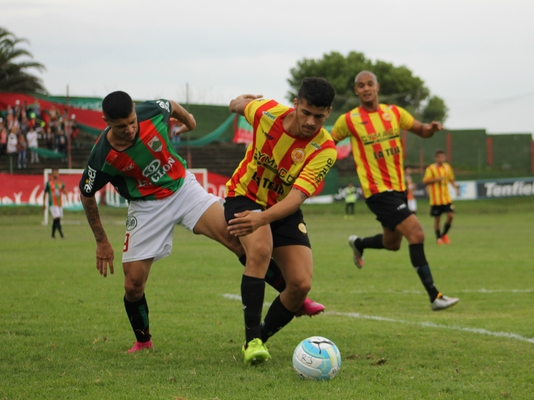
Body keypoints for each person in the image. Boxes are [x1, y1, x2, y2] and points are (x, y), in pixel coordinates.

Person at [78, 91, 321, 354]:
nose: (129, 129)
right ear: (105, 121)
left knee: (238, 240)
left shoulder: (151, 110)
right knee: (133, 284)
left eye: (132, 122)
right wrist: (102, 241)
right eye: (120, 126)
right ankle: (143, 340)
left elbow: (170, 104)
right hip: (146, 207)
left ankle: (295, 298)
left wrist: (190, 121)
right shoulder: (102, 156)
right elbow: (87, 194)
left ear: (136, 111)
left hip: (184, 190)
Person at [225, 77, 337, 364]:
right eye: (307, 113)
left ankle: (260, 335)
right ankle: (252, 342)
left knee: (300, 284)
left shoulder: (325, 149)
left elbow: (297, 197)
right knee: (260, 250)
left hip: (282, 207)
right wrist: (241, 100)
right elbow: (236, 106)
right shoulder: (266, 112)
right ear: (296, 103)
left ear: (329, 113)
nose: (312, 122)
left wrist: (262, 219)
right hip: (244, 196)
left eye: (320, 116)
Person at [331, 70, 458, 311]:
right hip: (377, 192)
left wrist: (431, 128)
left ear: (377, 87)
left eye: (370, 84)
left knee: (392, 243)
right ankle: (435, 295)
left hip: (399, 189)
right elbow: (329, 141)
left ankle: (358, 243)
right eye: (361, 85)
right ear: (356, 91)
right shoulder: (348, 120)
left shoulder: (394, 113)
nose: (366, 88)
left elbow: (421, 130)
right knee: (417, 234)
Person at [423, 150, 459, 244]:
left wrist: (456, 188)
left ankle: (444, 235)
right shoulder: (430, 168)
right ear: (436, 158)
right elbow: (426, 181)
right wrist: (436, 179)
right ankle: (438, 237)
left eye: (442, 157)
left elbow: (451, 179)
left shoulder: (447, 167)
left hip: (446, 198)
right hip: (435, 199)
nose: (441, 159)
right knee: (437, 218)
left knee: (451, 215)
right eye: (439, 157)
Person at [44, 168, 67, 238]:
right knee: (57, 217)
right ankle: (61, 235)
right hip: (52, 203)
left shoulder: (61, 183)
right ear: (52, 174)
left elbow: (64, 190)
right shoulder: (49, 183)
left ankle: (53, 235)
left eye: (57, 172)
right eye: (54, 172)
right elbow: (45, 193)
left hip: (59, 204)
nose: (56, 174)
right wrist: (44, 203)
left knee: (57, 219)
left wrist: (67, 195)